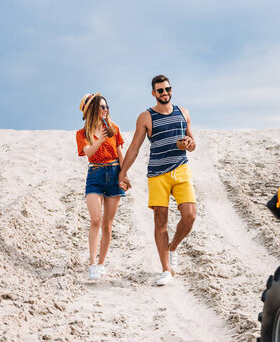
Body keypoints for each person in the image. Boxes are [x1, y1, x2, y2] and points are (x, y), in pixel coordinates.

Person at [119, 75, 196, 286]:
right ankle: (165, 269)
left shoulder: (184, 113)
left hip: (181, 170)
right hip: (157, 174)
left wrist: (188, 143)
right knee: (160, 222)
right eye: (160, 90)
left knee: (189, 216)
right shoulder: (146, 117)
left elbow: (192, 143)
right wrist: (123, 173)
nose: (165, 93)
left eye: (167, 89)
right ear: (153, 93)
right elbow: (134, 147)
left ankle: (172, 248)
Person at [76, 93, 126, 280]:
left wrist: (124, 174)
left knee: (108, 224)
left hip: (114, 173)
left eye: (106, 106)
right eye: (101, 107)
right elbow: (88, 153)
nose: (105, 110)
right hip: (95, 174)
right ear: (92, 110)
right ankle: (92, 263)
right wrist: (100, 139)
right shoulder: (82, 134)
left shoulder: (114, 129)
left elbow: (120, 153)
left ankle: (102, 263)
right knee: (95, 219)